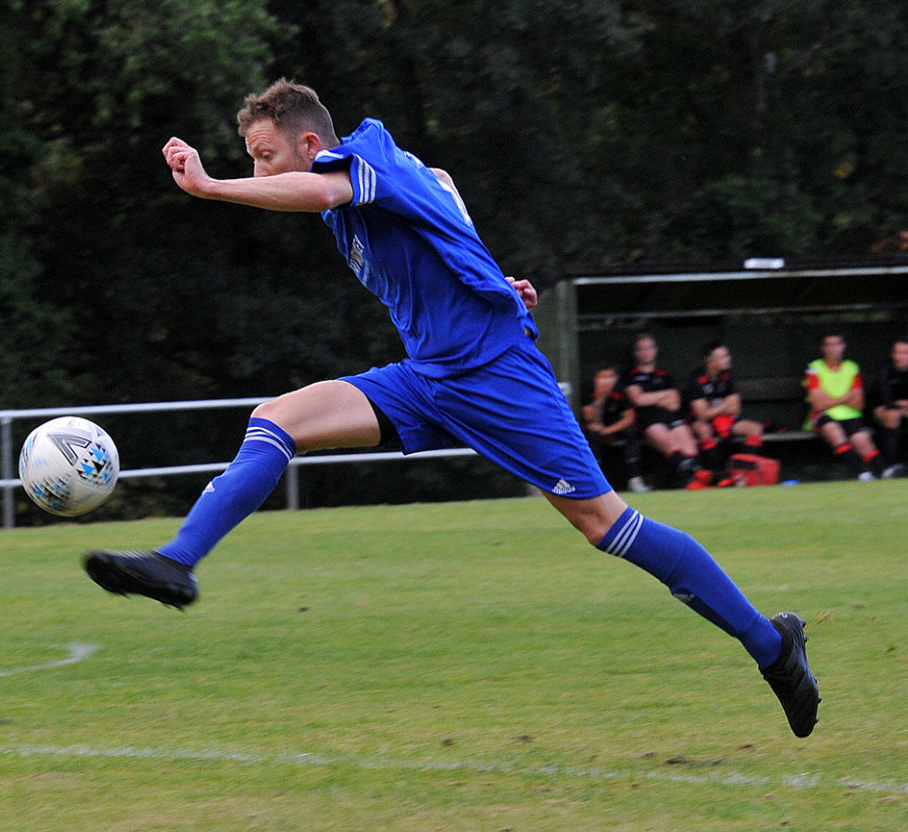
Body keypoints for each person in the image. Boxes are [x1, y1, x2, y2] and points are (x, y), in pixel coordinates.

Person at [83, 79, 818, 738]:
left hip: (498, 377)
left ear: (312, 144)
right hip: (430, 376)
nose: (257, 172)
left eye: (265, 156)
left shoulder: (355, 166)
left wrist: (211, 189)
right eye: (247, 161)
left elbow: (335, 190)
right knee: (278, 418)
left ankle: (771, 645)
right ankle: (178, 564)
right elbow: (441, 184)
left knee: (607, 527)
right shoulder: (378, 175)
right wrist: (494, 277)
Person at [620, 334, 702, 488]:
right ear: (636, 353)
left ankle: (697, 477)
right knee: (668, 441)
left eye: (649, 348)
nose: (646, 352)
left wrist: (649, 397)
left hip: (669, 417)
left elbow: (675, 404)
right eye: (641, 349)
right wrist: (664, 395)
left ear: (655, 350)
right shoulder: (630, 376)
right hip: (648, 419)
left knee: (688, 443)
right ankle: (691, 480)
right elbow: (638, 400)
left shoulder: (664, 376)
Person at [804, 331, 886, 480]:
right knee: (834, 431)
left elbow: (858, 403)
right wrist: (846, 397)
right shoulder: (814, 368)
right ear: (823, 348)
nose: (833, 348)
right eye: (829, 345)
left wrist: (830, 400)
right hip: (823, 416)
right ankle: (861, 473)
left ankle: (884, 473)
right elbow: (818, 405)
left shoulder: (851, 367)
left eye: (837, 344)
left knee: (861, 439)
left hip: (850, 414)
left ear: (843, 346)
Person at [685, 342, 765, 484]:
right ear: (711, 361)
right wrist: (723, 407)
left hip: (727, 421)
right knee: (703, 430)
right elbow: (701, 415)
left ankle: (744, 472)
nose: (728, 359)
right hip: (703, 423)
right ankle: (722, 474)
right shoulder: (695, 379)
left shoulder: (727, 376)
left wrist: (715, 410)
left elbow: (735, 408)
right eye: (723, 357)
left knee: (755, 428)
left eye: (727, 355)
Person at [580, 362, 646, 492]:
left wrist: (607, 431)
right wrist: (600, 398)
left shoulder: (621, 391)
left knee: (631, 433)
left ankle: (635, 480)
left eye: (610, 377)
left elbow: (629, 418)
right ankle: (594, 480)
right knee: (593, 435)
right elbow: (589, 418)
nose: (606, 381)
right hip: (594, 430)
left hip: (614, 428)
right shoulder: (588, 390)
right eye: (602, 377)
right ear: (596, 378)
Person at [870, 337, 908, 477]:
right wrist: (902, 405)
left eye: (904, 353)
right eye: (897, 353)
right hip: (880, 411)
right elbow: (887, 400)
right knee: (892, 415)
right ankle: (891, 467)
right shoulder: (885, 368)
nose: (899, 357)